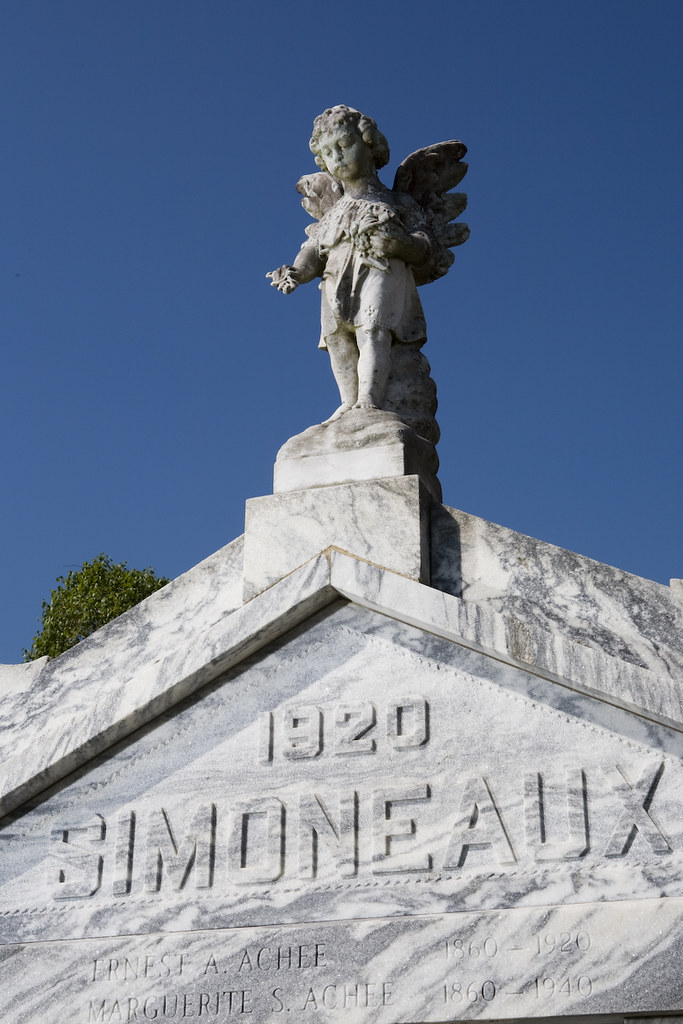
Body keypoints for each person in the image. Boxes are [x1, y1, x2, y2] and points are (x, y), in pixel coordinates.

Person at [267, 106, 433, 422]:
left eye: (344, 146)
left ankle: (369, 401)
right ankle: (348, 402)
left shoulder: (396, 203)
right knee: (338, 338)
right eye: (329, 153)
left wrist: (401, 244)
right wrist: (295, 272)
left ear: (370, 146)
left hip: (380, 272)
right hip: (334, 279)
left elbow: (426, 246)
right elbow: (313, 250)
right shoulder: (332, 213)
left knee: (372, 330)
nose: (338, 158)